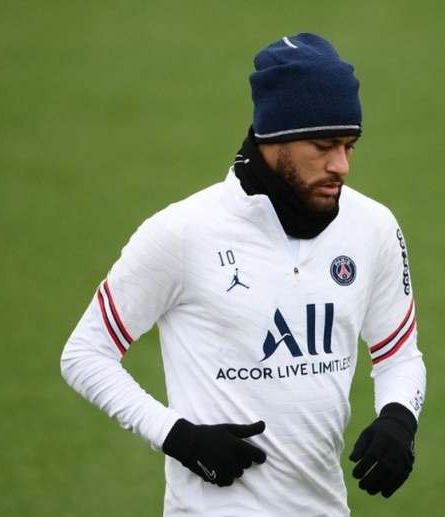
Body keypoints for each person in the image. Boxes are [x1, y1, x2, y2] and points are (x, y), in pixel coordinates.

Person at [61, 32, 426, 516]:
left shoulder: (372, 226)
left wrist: (400, 417)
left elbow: (399, 352)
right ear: (275, 138)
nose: (342, 165)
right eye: (324, 146)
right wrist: (176, 436)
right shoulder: (183, 232)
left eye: (349, 146)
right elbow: (85, 353)